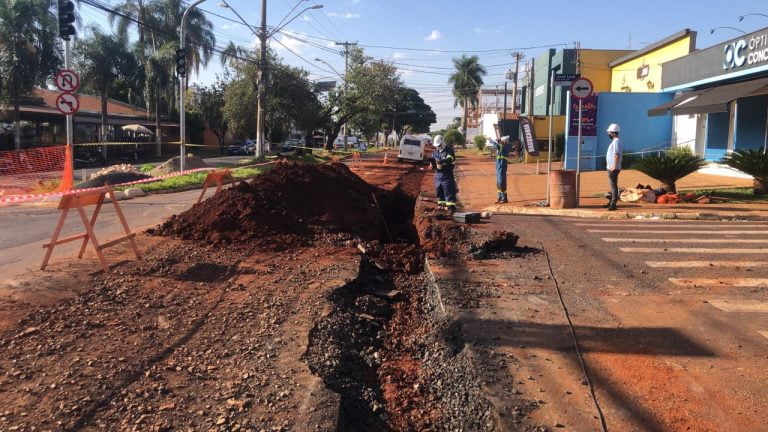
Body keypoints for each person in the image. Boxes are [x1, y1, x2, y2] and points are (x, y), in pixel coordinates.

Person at [431, 134, 457, 214]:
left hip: (447, 175)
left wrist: (441, 162)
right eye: (436, 146)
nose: (438, 147)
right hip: (438, 175)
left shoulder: (449, 151)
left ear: (442, 142)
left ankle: (451, 207)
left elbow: (449, 159)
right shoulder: (435, 152)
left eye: (439, 145)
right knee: (439, 190)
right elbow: (432, 161)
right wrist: (432, 165)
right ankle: (441, 205)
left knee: (448, 191)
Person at [605, 123, 622, 211]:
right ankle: (611, 202)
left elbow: (616, 155)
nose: (608, 134)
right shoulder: (615, 141)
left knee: (614, 186)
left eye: (609, 132)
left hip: (613, 168)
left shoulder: (616, 142)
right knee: (612, 186)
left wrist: (614, 166)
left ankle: (613, 204)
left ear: (614, 133)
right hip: (611, 167)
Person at [495, 136, 511, 204]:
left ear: (504, 141)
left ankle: (504, 198)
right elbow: (498, 146)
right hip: (498, 167)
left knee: (502, 182)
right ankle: (500, 197)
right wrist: (499, 141)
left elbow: (498, 146)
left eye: (502, 141)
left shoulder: (504, 147)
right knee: (498, 183)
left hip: (502, 166)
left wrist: (492, 141)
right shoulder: (501, 146)